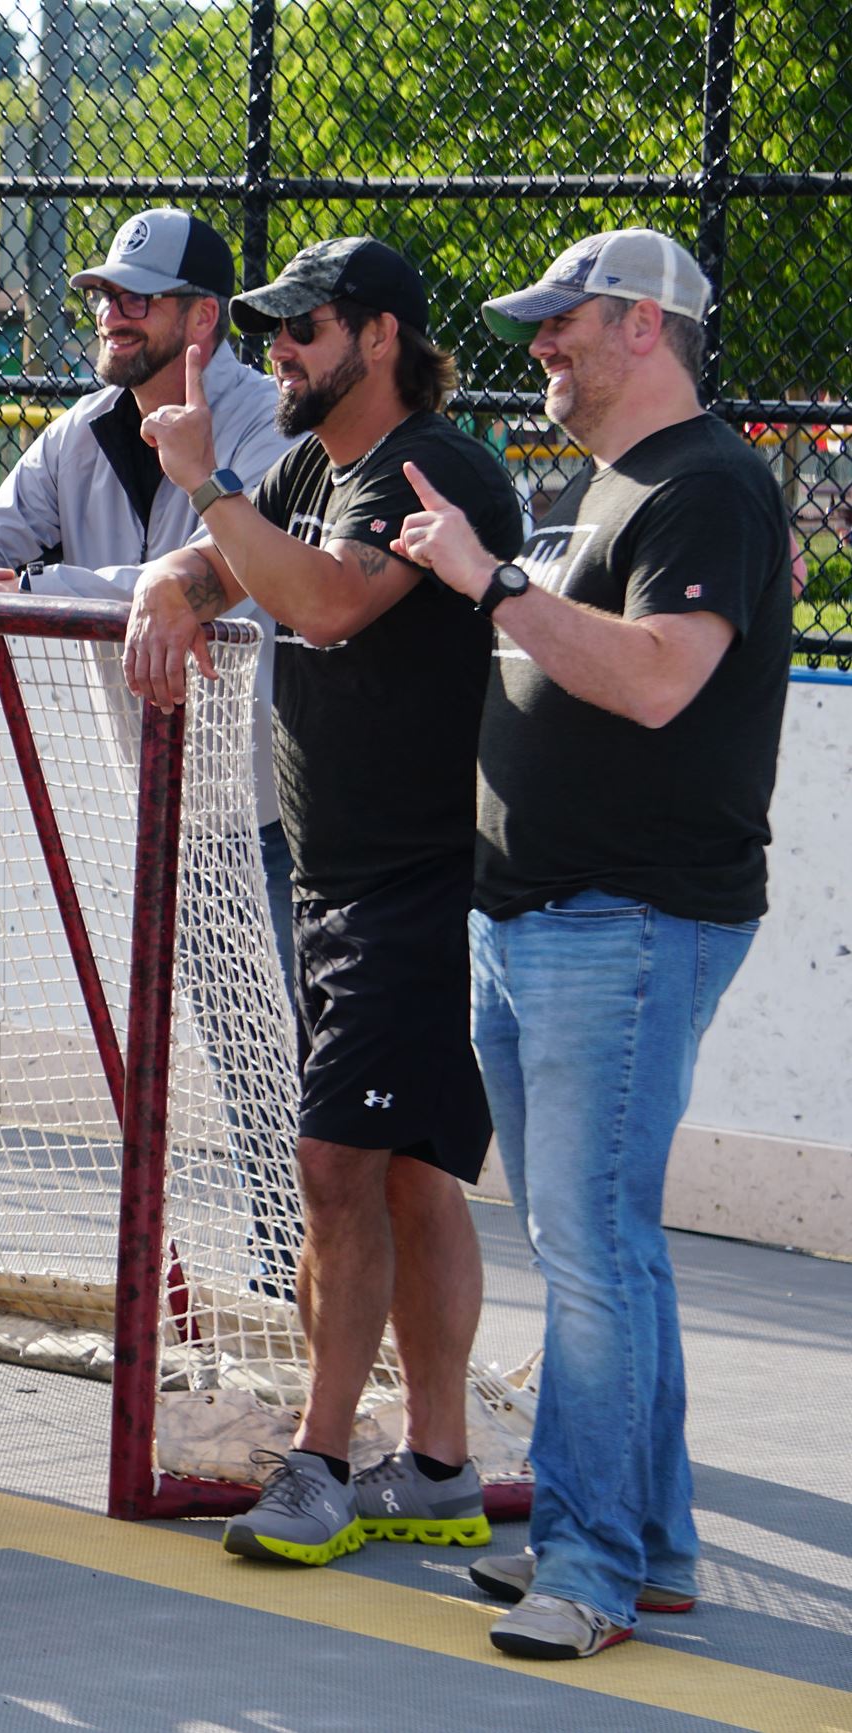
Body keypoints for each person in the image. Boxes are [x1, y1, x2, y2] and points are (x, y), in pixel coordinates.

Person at [390, 230, 792, 1661]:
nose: (541, 344)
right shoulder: (626, 483)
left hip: (621, 925)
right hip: (550, 919)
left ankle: (592, 1565)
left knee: (592, 1255)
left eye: (562, 321)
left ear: (638, 325)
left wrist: (489, 581)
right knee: (609, 1247)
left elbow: (659, 682)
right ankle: (657, 1547)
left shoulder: (709, 485)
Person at [121, 237, 525, 1567]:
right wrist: (160, 587)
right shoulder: (306, 468)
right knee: (407, 1177)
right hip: (339, 878)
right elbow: (221, 572)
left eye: (303, 330)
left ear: (383, 337)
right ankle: (443, 1467)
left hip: (417, 880)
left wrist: (204, 489)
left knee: (333, 1167)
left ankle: (320, 1463)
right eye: (276, 329)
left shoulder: (435, 470)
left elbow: (334, 603)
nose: (278, 353)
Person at [0, 206, 305, 1294]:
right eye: (102, 296)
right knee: (239, 1055)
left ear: (202, 319)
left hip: (281, 804)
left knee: (295, 1054)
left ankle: (315, 1293)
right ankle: (287, 1281)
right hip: (173, 798)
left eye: (138, 298)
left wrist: (33, 589)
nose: (110, 314)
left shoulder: (269, 427)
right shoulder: (81, 430)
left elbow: (222, 568)